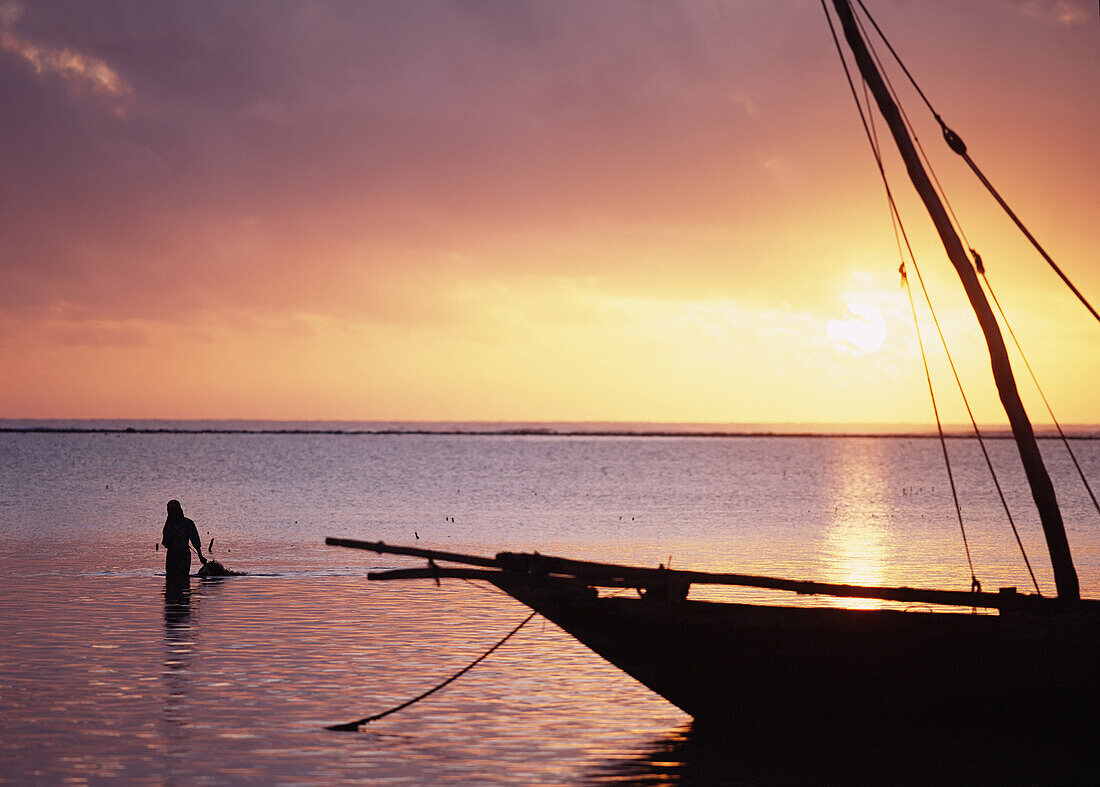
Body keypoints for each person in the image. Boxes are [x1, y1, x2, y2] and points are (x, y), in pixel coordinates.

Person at [161, 499, 207, 581]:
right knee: (176, 579)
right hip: (174, 555)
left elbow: (195, 541)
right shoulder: (172, 524)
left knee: (177, 580)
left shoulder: (184, 523)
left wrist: (200, 556)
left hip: (180, 555)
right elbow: (166, 543)